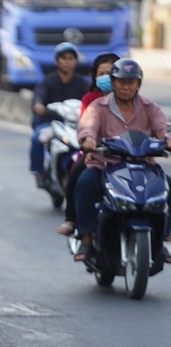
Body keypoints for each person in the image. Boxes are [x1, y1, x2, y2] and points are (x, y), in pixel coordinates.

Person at [73, 58, 171, 263]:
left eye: (130, 82)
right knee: (84, 183)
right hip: (105, 165)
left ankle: (162, 239)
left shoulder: (149, 106)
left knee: (168, 188)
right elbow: (88, 126)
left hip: (143, 166)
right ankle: (87, 237)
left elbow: (162, 127)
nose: (125, 86)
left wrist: (167, 139)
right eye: (121, 81)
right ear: (113, 82)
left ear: (138, 84)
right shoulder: (98, 106)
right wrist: (89, 138)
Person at [55, 52, 120, 235]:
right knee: (78, 177)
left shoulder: (136, 101)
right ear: (94, 76)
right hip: (98, 152)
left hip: (128, 154)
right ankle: (72, 220)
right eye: (101, 73)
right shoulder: (91, 100)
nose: (105, 77)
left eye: (110, 72)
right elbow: (85, 125)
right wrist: (90, 140)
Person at [30, 42, 89, 188]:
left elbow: (90, 99)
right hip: (51, 123)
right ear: (57, 61)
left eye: (71, 58)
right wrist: (39, 106)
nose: (67, 61)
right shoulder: (48, 81)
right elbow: (39, 96)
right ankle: (40, 173)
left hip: (75, 124)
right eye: (64, 58)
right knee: (38, 138)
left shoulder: (82, 82)